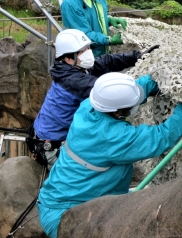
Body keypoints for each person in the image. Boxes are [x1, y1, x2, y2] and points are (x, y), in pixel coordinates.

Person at [37, 72, 182, 238]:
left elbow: (132, 92)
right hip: (68, 215)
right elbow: (161, 137)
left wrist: (161, 79)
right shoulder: (113, 137)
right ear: (117, 111)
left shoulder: (89, 106)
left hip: (57, 200)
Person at [27, 29, 158, 169]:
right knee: (107, 167)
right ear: (68, 58)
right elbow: (114, 93)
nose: (89, 52)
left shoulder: (75, 68)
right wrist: (151, 83)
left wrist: (138, 56)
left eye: (88, 48)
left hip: (52, 136)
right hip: (52, 146)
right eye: (83, 51)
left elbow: (107, 61)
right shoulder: (73, 81)